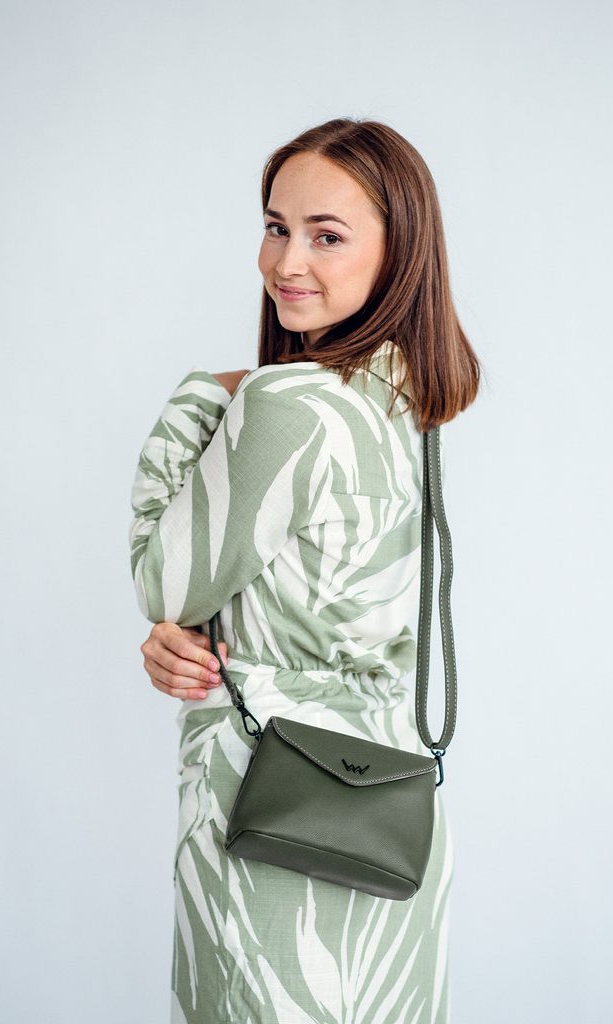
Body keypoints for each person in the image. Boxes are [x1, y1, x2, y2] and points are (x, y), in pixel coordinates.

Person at [128, 116, 482, 1024]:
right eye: (276, 226)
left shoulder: (285, 404)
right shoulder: (409, 410)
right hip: (392, 830)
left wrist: (202, 399)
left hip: (271, 815)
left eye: (327, 236)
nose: (287, 261)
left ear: (399, 253)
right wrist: (198, 637)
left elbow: (164, 583)